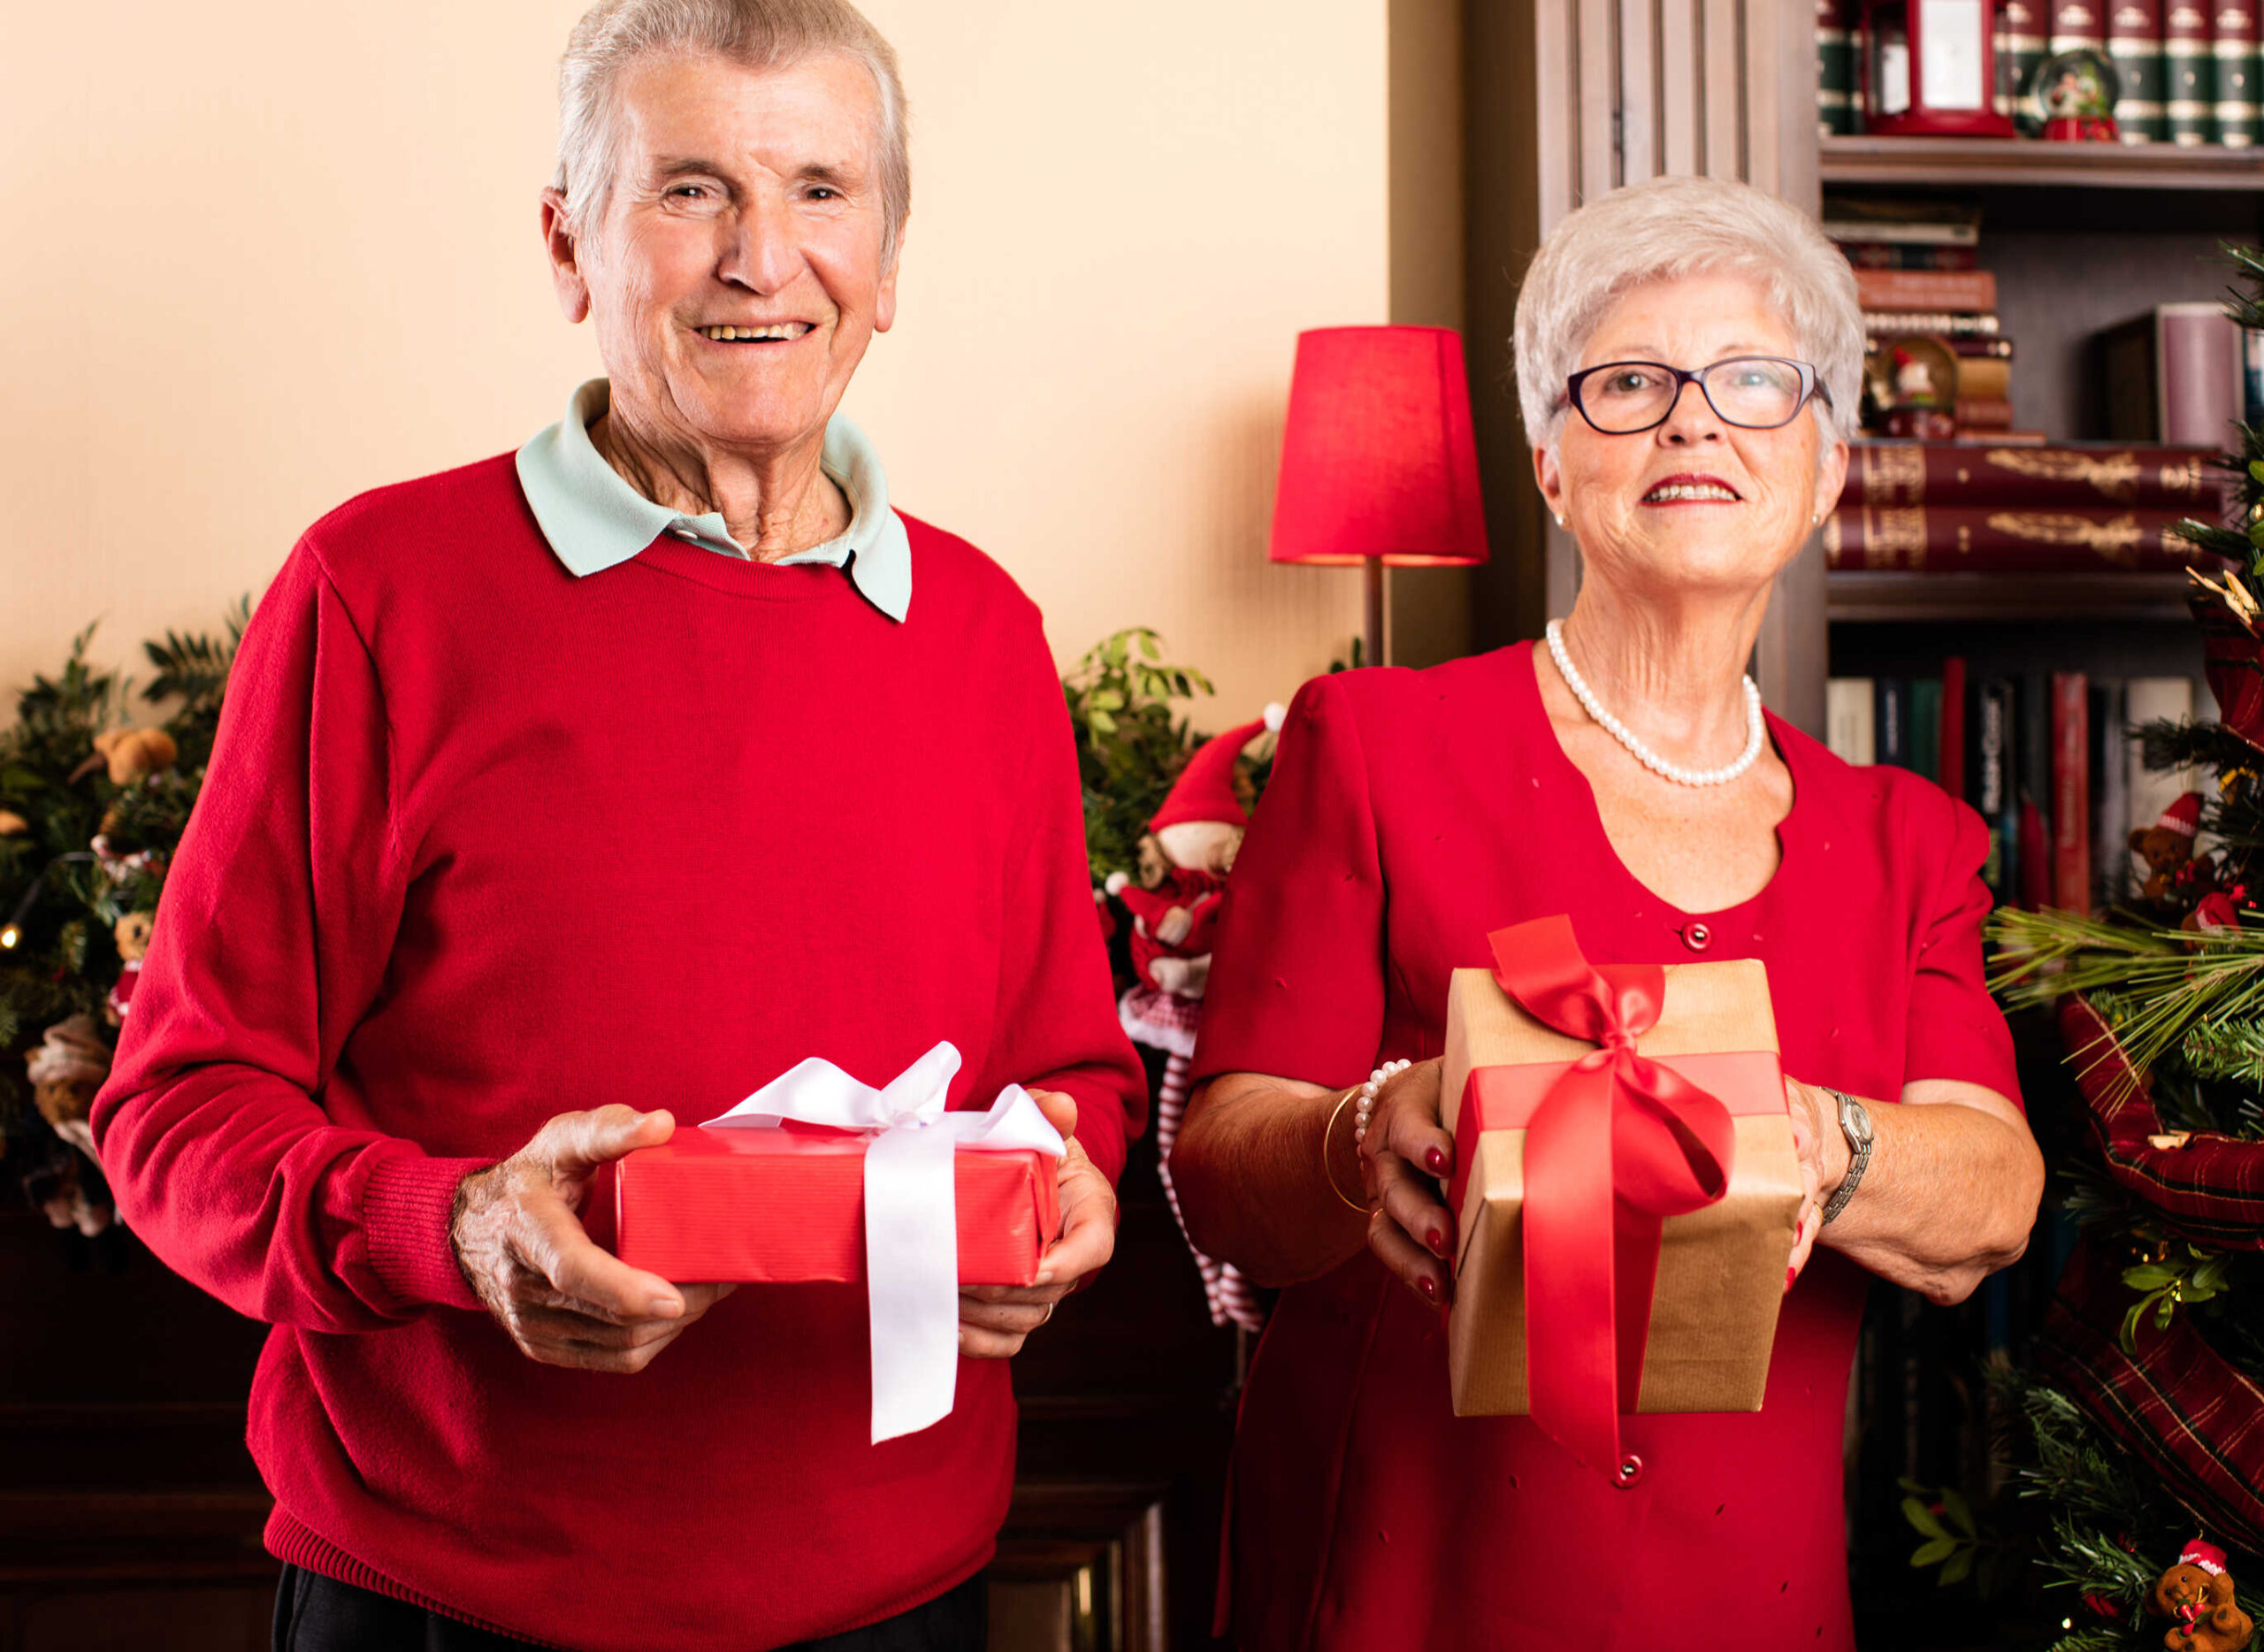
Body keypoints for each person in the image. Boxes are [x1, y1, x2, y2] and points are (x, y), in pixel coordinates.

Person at [89, 3, 1144, 1648]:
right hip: (451, 1600)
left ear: (890, 255)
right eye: (689, 191)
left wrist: (1066, 1182)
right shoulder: (378, 596)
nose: (762, 258)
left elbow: (1071, 1076)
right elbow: (175, 1117)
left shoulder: (984, 632)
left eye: (818, 190)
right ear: (569, 243)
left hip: (909, 1597)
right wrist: (452, 1228)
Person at [1169, 172, 2045, 1651]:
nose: (1695, 420)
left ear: (1827, 468)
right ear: (1552, 465)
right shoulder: (1374, 745)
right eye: (1631, 382)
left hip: (1752, 1599)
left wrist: (1793, 1136)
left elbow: (1992, 1201)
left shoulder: (1912, 838)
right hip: (1404, 1588)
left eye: (1754, 381)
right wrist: (1370, 1122)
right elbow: (1220, 1169)